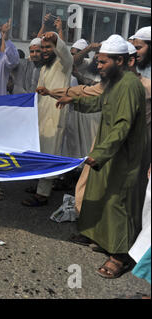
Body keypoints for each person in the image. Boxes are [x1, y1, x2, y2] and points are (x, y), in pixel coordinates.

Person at [56, 35, 148, 279]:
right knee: (99, 192)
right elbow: (100, 102)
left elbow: (122, 125)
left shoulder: (130, 86)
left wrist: (100, 154)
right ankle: (98, 237)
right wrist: (74, 100)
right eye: (98, 61)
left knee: (118, 202)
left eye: (103, 62)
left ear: (120, 61)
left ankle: (120, 255)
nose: (98, 66)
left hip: (123, 154)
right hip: (109, 150)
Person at [21, 31, 73, 207]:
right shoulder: (44, 67)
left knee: (50, 153)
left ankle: (42, 195)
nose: (44, 50)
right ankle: (39, 187)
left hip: (56, 115)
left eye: (48, 47)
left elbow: (67, 54)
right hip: (42, 116)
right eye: (43, 47)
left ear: (56, 49)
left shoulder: (63, 65)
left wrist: (57, 39)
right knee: (40, 151)